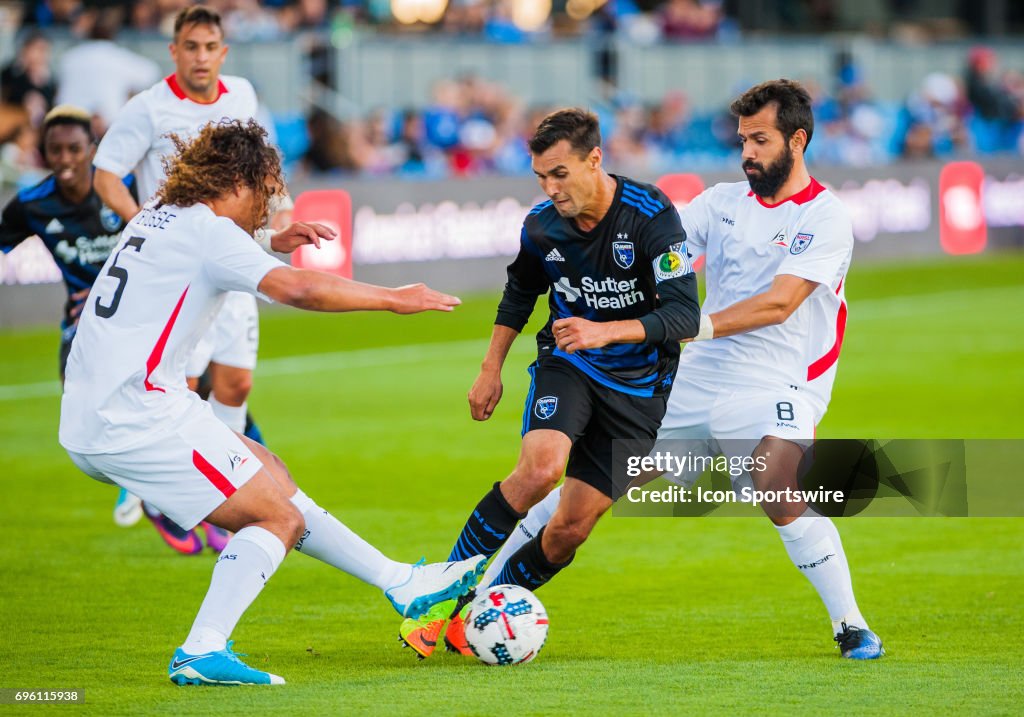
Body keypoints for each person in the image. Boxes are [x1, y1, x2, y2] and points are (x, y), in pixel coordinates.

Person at [441, 80, 885, 661]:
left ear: (797, 140)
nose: (747, 152)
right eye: (742, 140)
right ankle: (474, 604)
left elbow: (779, 304)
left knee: (776, 486)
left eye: (760, 139)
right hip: (693, 381)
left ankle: (850, 624)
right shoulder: (720, 204)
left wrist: (681, 324)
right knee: (578, 499)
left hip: (780, 381)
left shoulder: (826, 218)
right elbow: (654, 243)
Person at [58, 118, 486, 686]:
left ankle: (403, 583)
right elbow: (299, 288)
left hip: (112, 405)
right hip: (134, 416)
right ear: (239, 181)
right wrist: (392, 297)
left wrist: (263, 241)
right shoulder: (210, 233)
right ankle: (201, 649)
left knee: (271, 472)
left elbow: (197, 256)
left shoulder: (161, 218)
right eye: (266, 191)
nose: (269, 206)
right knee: (274, 517)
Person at [398, 107, 701, 657]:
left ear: (595, 160)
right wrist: (490, 368)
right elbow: (520, 293)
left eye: (560, 174)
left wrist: (605, 331)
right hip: (570, 363)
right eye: (541, 176)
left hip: (639, 390)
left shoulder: (652, 214)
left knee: (570, 530)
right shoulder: (541, 224)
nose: (551, 188)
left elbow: (685, 318)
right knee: (540, 468)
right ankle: (437, 602)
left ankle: (480, 613)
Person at [93, 5, 276, 551]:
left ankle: (223, 500)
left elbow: (262, 164)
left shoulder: (242, 95)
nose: (201, 57)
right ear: (174, 52)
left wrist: (277, 217)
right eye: (190, 47)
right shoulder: (149, 107)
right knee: (182, 387)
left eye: (209, 47)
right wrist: (145, 229)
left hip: (231, 256)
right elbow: (106, 175)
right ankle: (169, 497)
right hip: (177, 275)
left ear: (224, 52)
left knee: (236, 383)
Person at [0, 105, 143, 525]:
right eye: (54, 150)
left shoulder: (125, 185)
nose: (64, 159)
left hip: (144, 313)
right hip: (83, 322)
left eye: (74, 149)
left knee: (201, 387)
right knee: (80, 411)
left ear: (92, 150)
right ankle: (138, 483)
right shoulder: (32, 203)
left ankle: (146, 483)